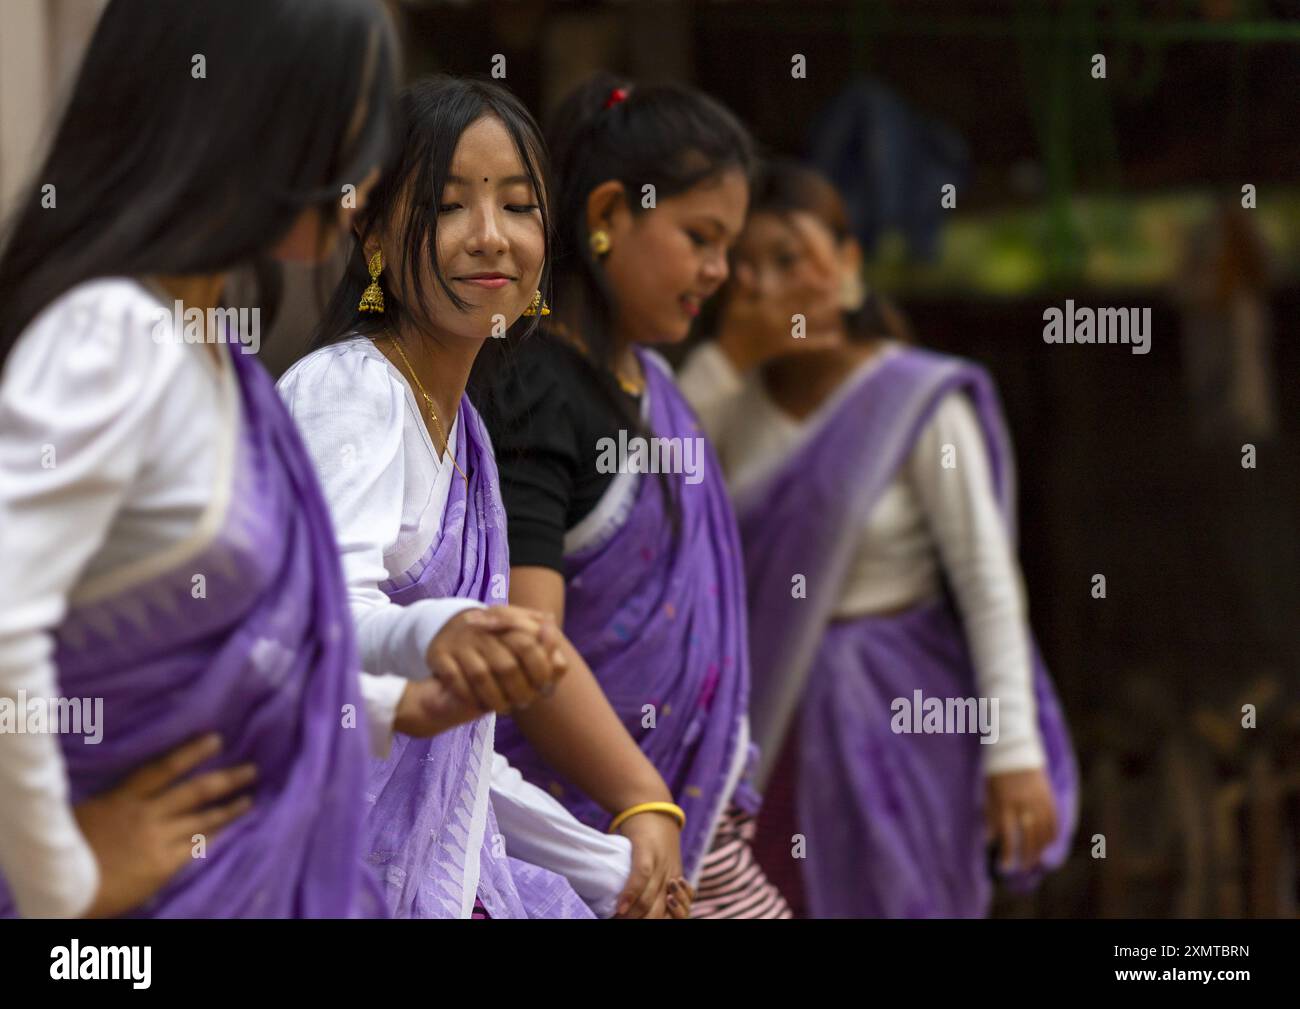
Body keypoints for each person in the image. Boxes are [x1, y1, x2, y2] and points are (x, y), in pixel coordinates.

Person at [0, 0, 405, 917]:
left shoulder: (210, 350)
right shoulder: (111, 337)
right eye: (353, 114)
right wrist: (63, 880)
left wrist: (391, 701)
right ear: (254, 109)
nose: (370, 167)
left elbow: (253, 659)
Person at [280, 75, 691, 919]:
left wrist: (612, 869)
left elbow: (455, 760)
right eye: (447, 205)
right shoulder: (352, 393)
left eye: (517, 205)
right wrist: (444, 632)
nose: (491, 237)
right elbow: (319, 629)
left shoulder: (465, 435)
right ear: (374, 229)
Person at [678, 159, 1078, 917]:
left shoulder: (913, 401)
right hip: (764, 729)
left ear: (848, 266)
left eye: (790, 259)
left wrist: (1014, 751)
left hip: (906, 718)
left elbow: (987, 584)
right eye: (743, 269)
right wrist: (725, 361)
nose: (767, 286)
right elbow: (649, 504)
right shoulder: (719, 402)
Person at [476, 72, 790, 918]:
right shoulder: (537, 389)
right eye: (701, 237)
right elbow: (527, 645)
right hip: (588, 840)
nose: (720, 271)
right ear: (610, 215)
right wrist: (643, 796)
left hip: (684, 836)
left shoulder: (651, 385)